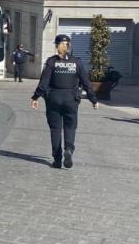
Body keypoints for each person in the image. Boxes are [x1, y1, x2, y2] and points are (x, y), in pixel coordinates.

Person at [30, 34, 98, 169]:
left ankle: (57, 159)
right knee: (70, 126)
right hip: (71, 99)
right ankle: (69, 149)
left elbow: (43, 83)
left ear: (56, 46)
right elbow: (86, 83)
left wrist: (35, 97)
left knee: (55, 129)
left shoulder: (51, 62)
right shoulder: (76, 62)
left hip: (54, 99)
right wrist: (93, 99)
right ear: (69, 46)